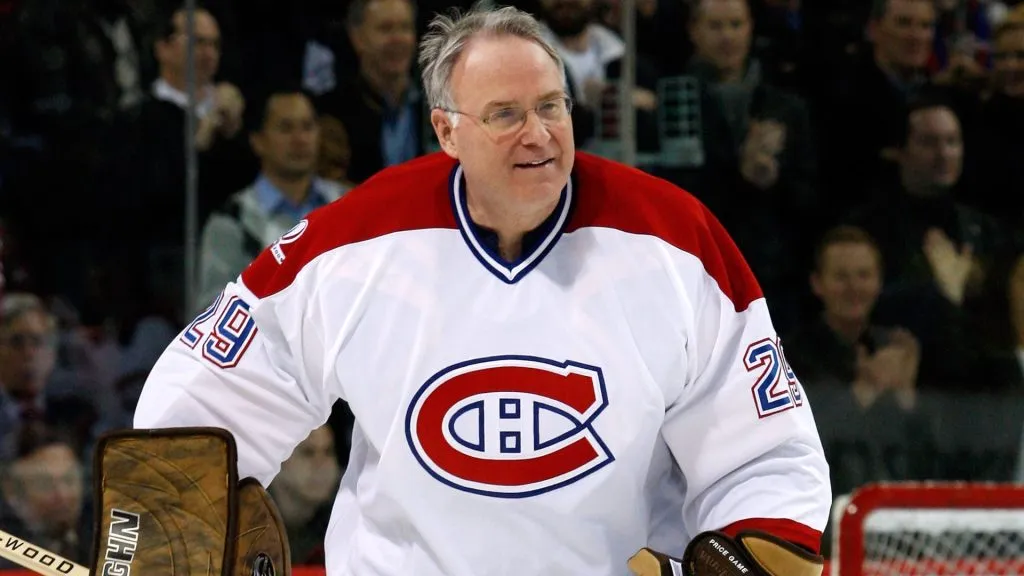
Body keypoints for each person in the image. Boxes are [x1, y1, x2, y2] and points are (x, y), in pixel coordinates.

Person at [131, 5, 830, 575]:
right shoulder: (353, 245)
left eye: (552, 106)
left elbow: (762, 449)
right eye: (505, 114)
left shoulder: (673, 240)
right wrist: (165, 529)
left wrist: (756, 541)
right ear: (447, 130)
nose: (540, 135)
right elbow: (208, 399)